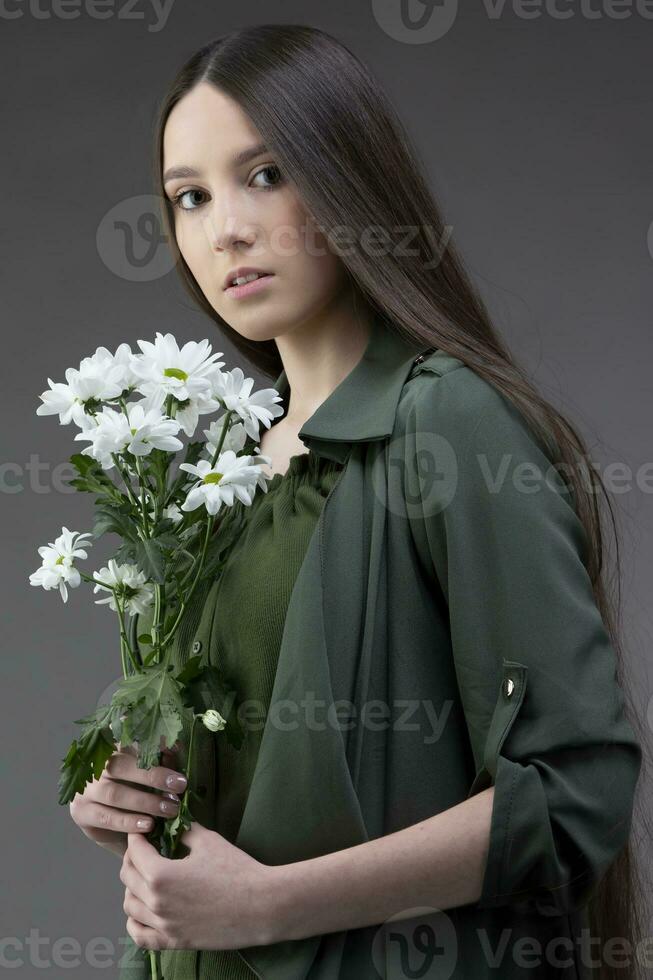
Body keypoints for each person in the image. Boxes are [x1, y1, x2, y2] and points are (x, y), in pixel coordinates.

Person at [69, 24, 650, 980]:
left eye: (264, 175)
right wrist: (132, 800)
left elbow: (572, 792)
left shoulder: (447, 422)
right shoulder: (220, 470)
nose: (226, 230)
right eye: (190, 197)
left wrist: (269, 906)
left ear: (347, 178)